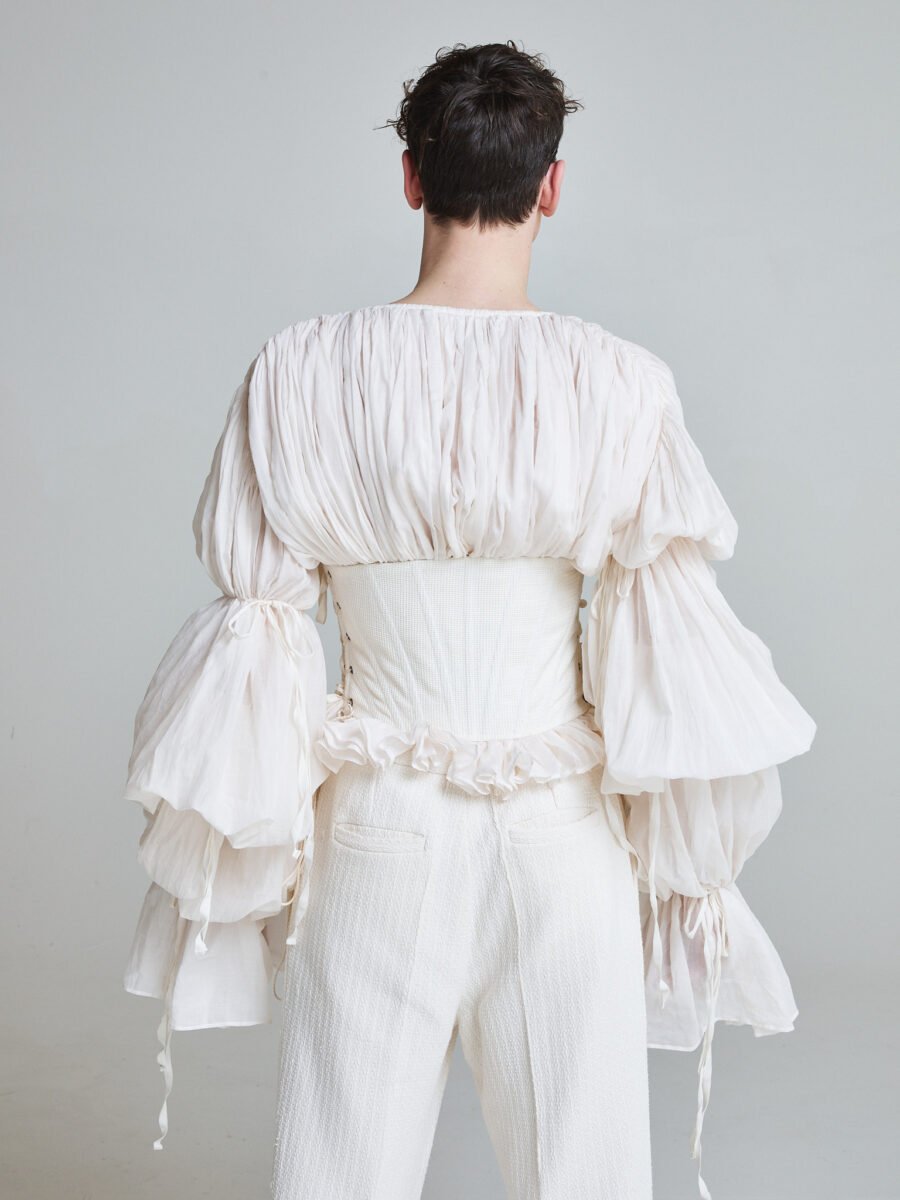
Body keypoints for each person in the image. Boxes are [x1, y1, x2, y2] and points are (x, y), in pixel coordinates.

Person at [121, 40, 816, 1200]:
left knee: (339, 1176)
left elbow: (261, 634)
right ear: (552, 185)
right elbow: (661, 654)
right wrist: (687, 865)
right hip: (560, 844)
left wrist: (247, 862)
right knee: (586, 1177)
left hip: (374, 835)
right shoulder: (619, 383)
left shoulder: (298, 371)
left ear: (411, 177)